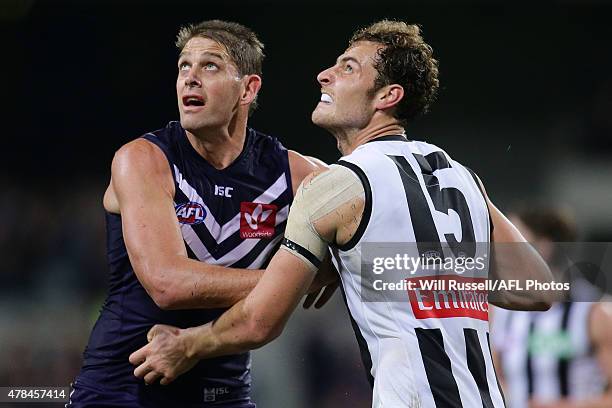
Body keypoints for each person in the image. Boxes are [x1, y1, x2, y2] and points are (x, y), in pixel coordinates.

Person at [130, 20, 553, 407]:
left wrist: (189, 346)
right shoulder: (459, 174)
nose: (324, 75)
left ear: (388, 96)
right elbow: (539, 287)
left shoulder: (333, 186)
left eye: (348, 68)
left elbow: (261, 320)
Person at [67, 20, 334, 408]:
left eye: (209, 66)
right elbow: (167, 284)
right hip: (120, 389)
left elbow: (366, 228)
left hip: (224, 395)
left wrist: (339, 264)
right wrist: (297, 278)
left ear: (248, 88)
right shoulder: (143, 159)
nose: (190, 79)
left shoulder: (293, 175)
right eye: (183, 67)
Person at [491, 206, 612, 408]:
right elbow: (494, 379)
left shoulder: (594, 313)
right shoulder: (501, 313)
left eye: (515, 239)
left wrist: (564, 406)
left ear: (543, 247)